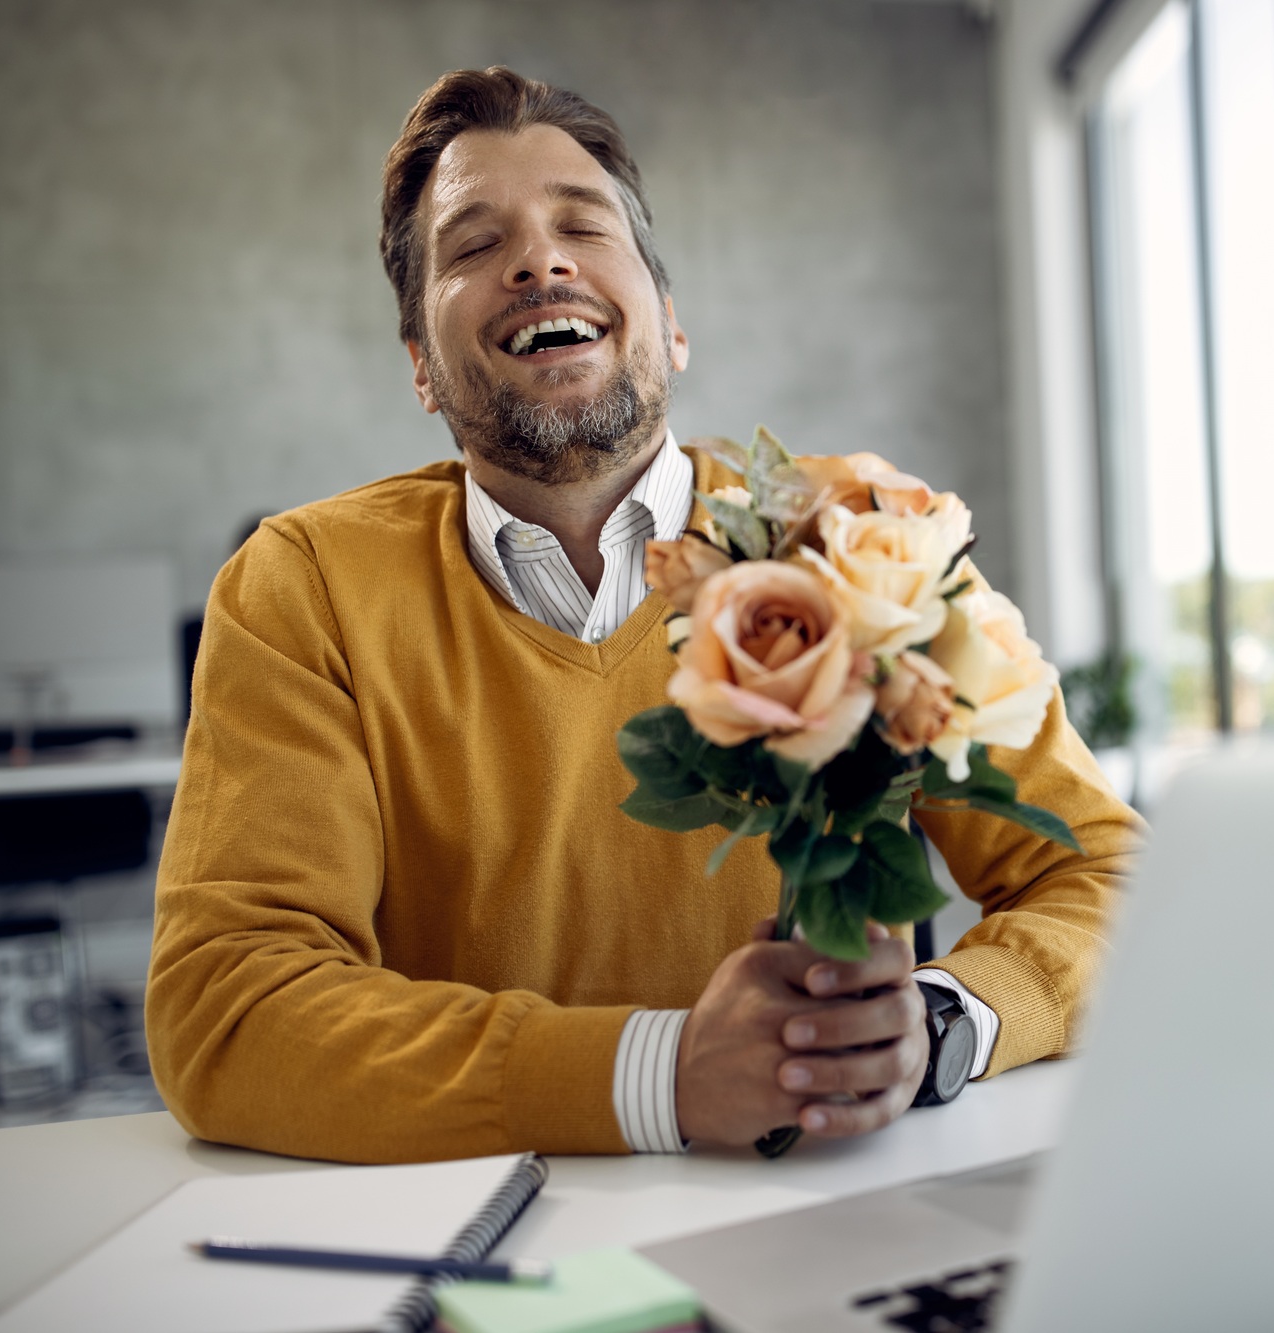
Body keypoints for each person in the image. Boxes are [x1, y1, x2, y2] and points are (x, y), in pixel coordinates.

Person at [146, 67, 1141, 1162]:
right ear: (421, 366)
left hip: (827, 1213)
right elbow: (228, 1009)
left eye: (582, 225)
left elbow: (1106, 876)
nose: (539, 260)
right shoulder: (302, 587)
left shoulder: (861, 536)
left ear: (669, 326)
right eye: (475, 246)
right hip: (478, 1246)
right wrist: (653, 1075)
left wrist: (945, 1022)